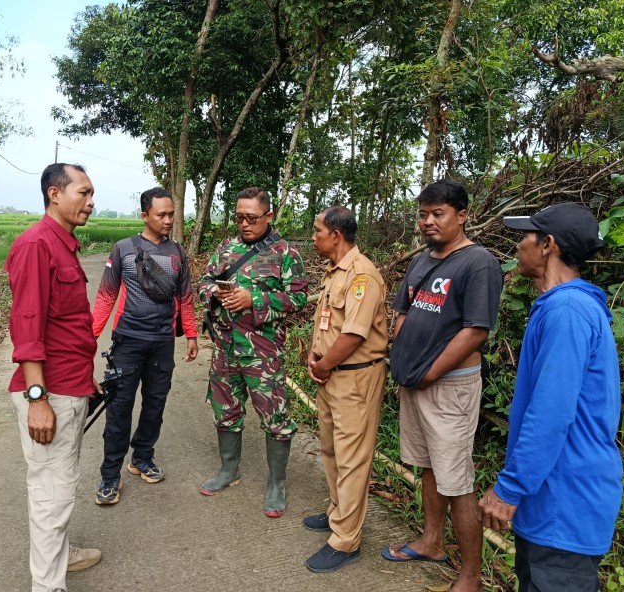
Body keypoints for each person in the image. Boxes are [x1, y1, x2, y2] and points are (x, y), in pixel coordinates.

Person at [479, 203, 622, 592]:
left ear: (547, 245)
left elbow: (551, 413)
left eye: (525, 237)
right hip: (554, 500)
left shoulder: (568, 310)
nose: (518, 246)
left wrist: (510, 487)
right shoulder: (562, 306)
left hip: (565, 502)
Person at [383, 179, 503, 592]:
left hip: (450, 386)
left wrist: (429, 371)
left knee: (457, 480)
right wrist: (403, 357)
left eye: (438, 214)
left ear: (462, 215)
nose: (428, 221)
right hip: (414, 381)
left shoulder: (477, 263)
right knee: (429, 468)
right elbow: (403, 311)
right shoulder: (422, 260)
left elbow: (475, 331)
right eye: (423, 214)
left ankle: (470, 577)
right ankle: (432, 541)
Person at [5, 163, 102, 591]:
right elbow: (27, 327)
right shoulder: (35, 246)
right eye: (83, 192)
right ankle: (48, 584)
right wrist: (37, 398)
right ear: (54, 194)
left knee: (60, 481)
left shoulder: (64, 246)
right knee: (51, 492)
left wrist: (87, 379)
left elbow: (67, 325)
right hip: (50, 392)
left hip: (71, 382)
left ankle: (61, 555)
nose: (91, 201)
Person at [198, 186, 308, 518]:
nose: (244, 224)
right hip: (224, 349)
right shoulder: (226, 248)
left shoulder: (285, 253)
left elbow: (298, 299)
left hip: (263, 355)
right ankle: (229, 470)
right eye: (239, 218)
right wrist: (215, 293)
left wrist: (254, 300)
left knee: (275, 419)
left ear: (269, 216)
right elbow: (203, 280)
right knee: (225, 411)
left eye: (251, 218)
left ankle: (277, 483)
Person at [91, 186, 198, 506]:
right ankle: (110, 474)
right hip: (127, 342)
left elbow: (186, 298)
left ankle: (142, 458)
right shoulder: (123, 249)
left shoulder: (178, 253)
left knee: (155, 405)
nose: (168, 220)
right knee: (119, 408)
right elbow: (106, 296)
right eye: (161, 214)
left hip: (163, 343)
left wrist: (191, 334)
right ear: (144, 215)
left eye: (171, 214)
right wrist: (88, 338)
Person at [303, 206, 389, 573]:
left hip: (354, 378)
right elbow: (328, 324)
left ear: (336, 235)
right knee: (331, 449)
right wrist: (314, 359)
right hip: (330, 376)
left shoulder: (362, 275)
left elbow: (353, 333)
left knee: (353, 458)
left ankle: (346, 539)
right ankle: (339, 512)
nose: (313, 236)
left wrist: (324, 363)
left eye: (317, 230)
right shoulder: (334, 271)